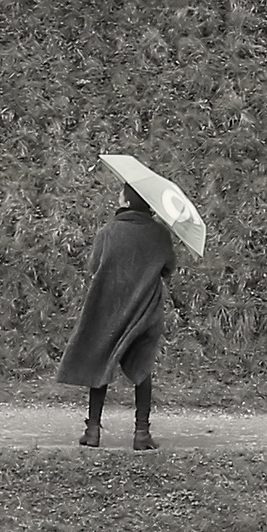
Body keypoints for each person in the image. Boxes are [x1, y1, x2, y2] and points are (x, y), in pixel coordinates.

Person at [56, 182, 179, 449]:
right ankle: (142, 434)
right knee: (142, 368)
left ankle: (92, 432)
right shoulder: (159, 234)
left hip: (109, 309)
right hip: (146, 311)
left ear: (126, 203)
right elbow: (168, 267)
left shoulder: (109, 232)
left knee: (102, 362)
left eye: (121, 194)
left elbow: (93, 266)